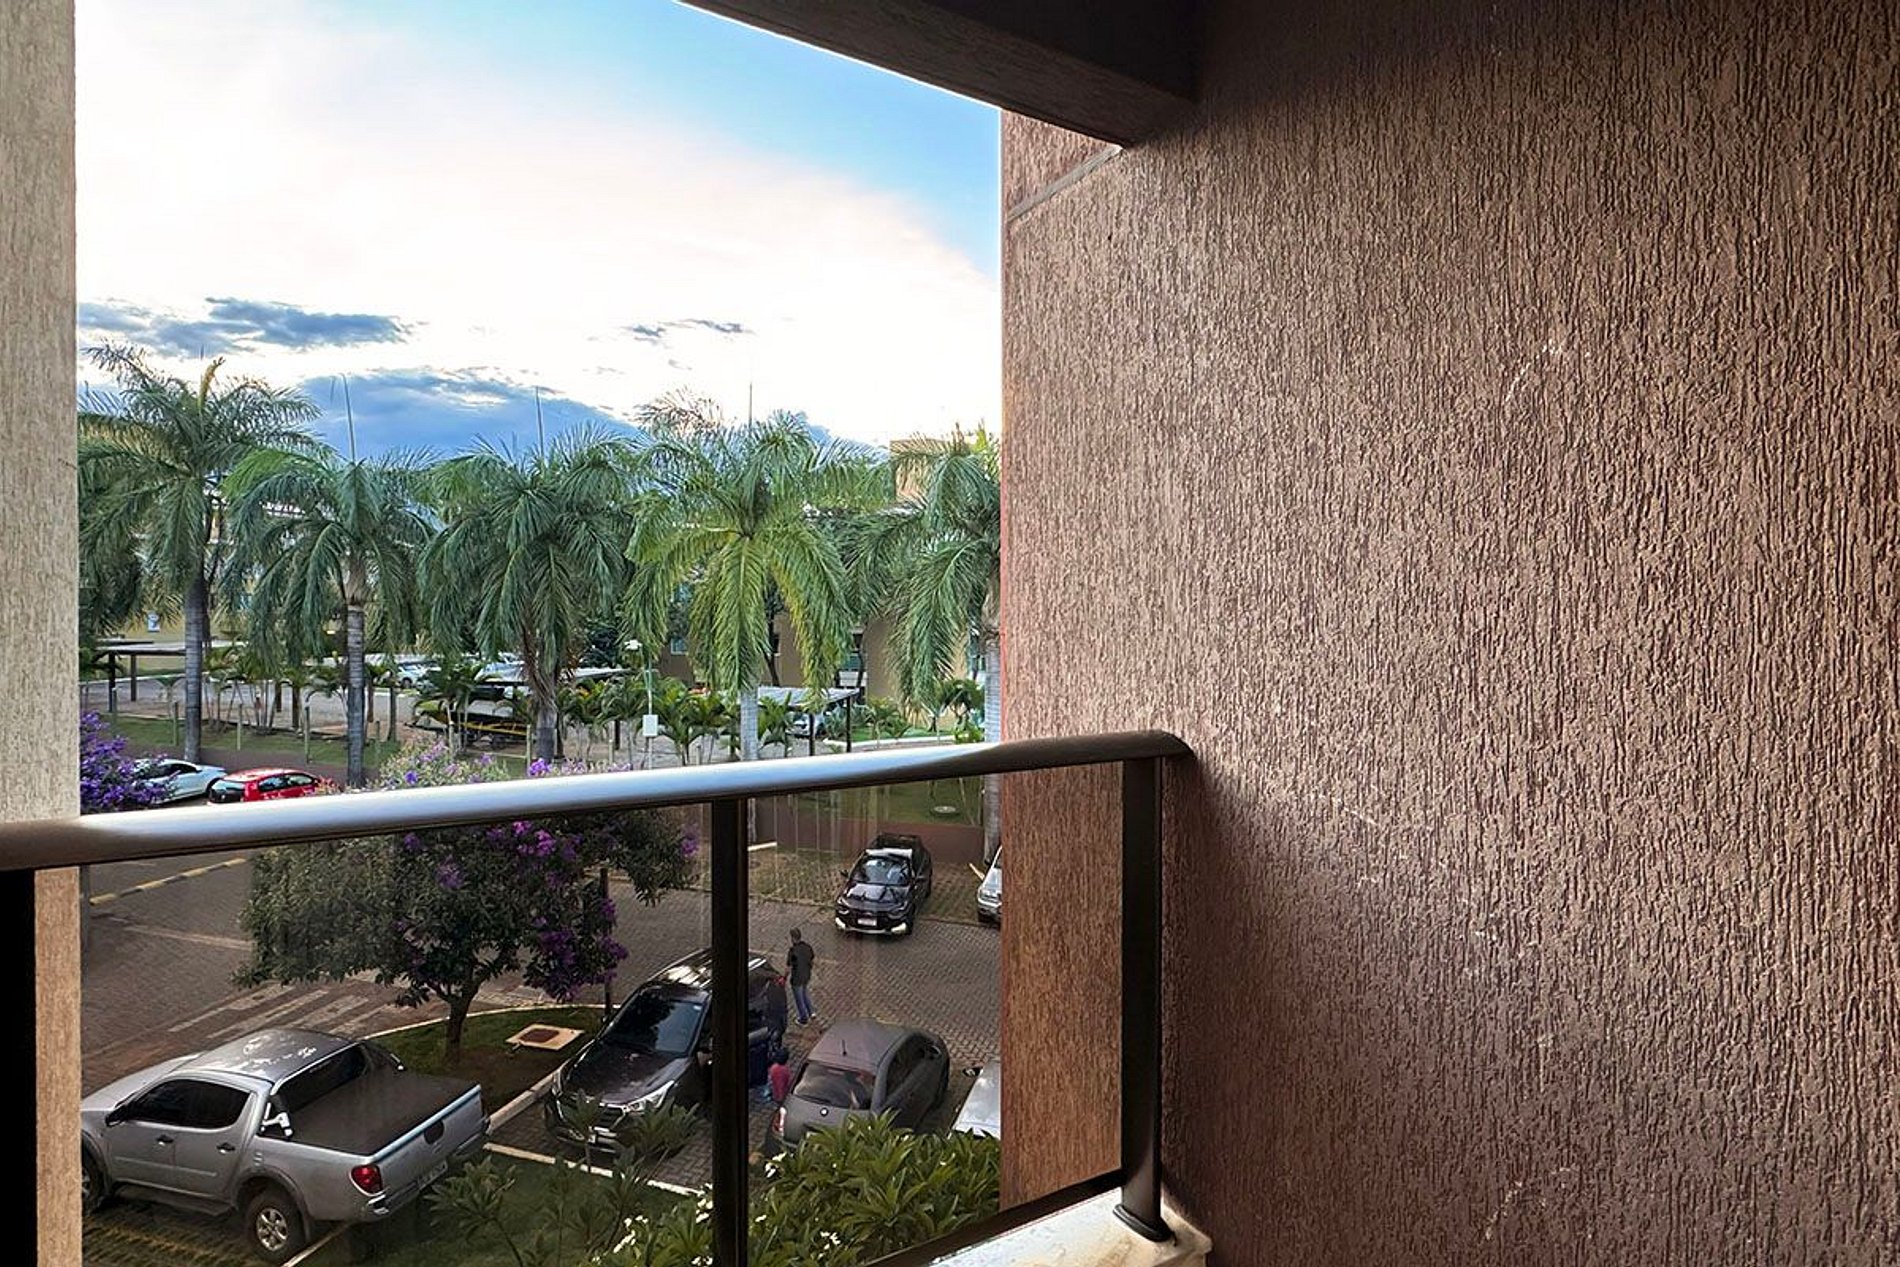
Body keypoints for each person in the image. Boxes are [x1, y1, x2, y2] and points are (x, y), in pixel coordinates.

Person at [787, 928, 816, 1025]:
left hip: (797, 978)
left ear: (793, 938)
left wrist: (784, 977)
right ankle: (811, 1012)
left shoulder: (792, 951)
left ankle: (803, 1019)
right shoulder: (807, 947)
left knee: (799, 999)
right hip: (806, 975)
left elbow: (789, 967)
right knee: (805, 993)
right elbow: (812, 959)